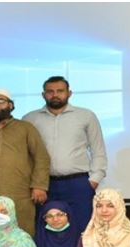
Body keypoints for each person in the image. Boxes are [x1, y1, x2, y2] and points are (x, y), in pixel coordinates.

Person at [23, 76, 108, 233]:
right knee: (46, 231)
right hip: (44, 185)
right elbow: (26, 155)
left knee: (82, 229)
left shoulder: (86, 116)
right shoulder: (30, 119)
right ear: (43, 95)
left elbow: (98, 149)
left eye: (60, 91)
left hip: (78, 183)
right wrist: (34, 183)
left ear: (69, 93)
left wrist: (94, 180)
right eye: (50, 91)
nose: (55, 95)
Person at [0, 89, 50, 237]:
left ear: (11, 105)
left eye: (0, 101)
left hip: (20, 191)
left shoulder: (26, 128)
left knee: (22, 231)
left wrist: (39, 185)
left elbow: (41, 157)